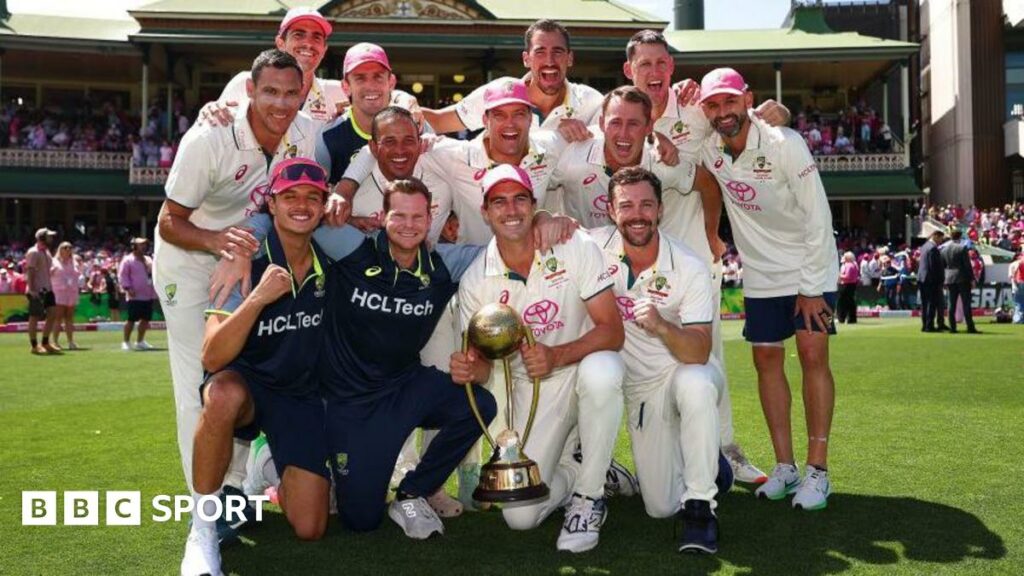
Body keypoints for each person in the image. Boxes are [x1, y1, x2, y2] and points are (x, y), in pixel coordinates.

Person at [154, 49, 317, 543]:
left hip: (249, 257)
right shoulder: (208, 137)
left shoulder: (306, 131)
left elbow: (298, 198)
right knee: (199, 385)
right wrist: (220, 241)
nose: (281, 103)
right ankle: (204, 506)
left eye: (291, 93)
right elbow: (168, 221)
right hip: (190, 257)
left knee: (242, 373)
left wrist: (244, 245)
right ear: (250, 90)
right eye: (270, 91)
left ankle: (236, 490)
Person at [623, 29, 791, 484]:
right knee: (637, 359)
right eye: (645, 65)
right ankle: (628, 460)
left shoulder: (697, 110)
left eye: (662, 63)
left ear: (672, 68)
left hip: (693, 255)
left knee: (707, 354)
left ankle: (725, 450)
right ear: (629, 70)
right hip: (635, 260)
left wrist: (713, 235)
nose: (654, 73)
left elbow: (733, 142)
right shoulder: (618, 115)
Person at [451, 165, 625, 553]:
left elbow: (612, 331)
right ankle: (586, 465)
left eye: (519, 199)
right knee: (520, 517)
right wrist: (468, 369)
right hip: (530, 391)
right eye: (499, 201)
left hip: (580, 370)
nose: (510, 209)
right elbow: (481, 365)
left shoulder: (574, 246)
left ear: (534, 205)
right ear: (485, 211)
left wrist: (557, 355)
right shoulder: (476, 281)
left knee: (604, 369)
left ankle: (589, 497)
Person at [183, 158, 334, 576]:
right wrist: (257, 298)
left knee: (310, 528)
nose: (301, 205)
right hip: (245, 385)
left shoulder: (329, 259)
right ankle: (202, 529)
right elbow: (212, 356)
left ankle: (265, 468)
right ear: (271, 203)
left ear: (323, 206)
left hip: (296, 394)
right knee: (222, 394)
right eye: (290, 196)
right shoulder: (244, 260)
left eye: (311, 197)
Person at [698, 67, 840, 510]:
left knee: (813, 355)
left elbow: (818, 216)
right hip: (761, 273)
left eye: (730, 102)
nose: (724, 112)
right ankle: (785, 466)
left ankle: (818, 470)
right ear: (706, 110)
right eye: (714, 105)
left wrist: (813, 287)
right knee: (765, 361)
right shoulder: (708, 149)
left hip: (808, 265)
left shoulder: (785, 143)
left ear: (747, 99)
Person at [591, 166, 727, 554]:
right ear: (611, 210)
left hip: (685, 366)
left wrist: (663, 326)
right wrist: (549, 218)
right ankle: (713, 466)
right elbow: (546, 231)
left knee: (695, 383)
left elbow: (700, 350)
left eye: (646, 205)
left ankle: (701, 508)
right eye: (627, 205)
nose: (638, 214)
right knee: (660, 506)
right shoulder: (593, 249)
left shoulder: (688, 266)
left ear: (660, 210)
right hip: (641, 389)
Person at [423, 19, 602, 142]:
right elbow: (438, 121)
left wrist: (588, 134)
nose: (549, 61)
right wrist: (403, 102)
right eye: (540, 52)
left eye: (558, 52)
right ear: (526, 59)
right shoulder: (500, 92)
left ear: (570, 58)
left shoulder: (590, 101)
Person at [202, 7, 346, 126]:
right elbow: (212, 126)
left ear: (324, 49)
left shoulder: (339, 93)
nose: (308, 43)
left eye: (316, 37)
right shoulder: (245, 83)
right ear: (280, 44)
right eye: (298, 35)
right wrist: (210, 110)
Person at [316, 42, 422, 185]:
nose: (371, 86)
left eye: (378, 76)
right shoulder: (328, 137)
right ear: (346, 87)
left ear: (391, 83)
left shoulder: (416, 125)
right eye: (360, 78)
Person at [119, 238, 158, 351]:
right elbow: (123, 276)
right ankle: (126, 341)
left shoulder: (148, 259)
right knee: (131, 319)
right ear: (134, 246)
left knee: (145, 319)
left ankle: (140, 341)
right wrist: (128, 288)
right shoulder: (128, 260)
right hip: (134, 295)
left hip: (148, 294)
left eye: (144, 245)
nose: (144, 247)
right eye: (141, 245)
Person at [25, 228, 59, 354]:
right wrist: (32, 289)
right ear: (42, 237)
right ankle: (34, 345)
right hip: (37, 289)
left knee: (52, 314)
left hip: (48, 288)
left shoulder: (46, 252)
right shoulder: (33, 252)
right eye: (49, 236)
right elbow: (30, 271)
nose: (51, 238)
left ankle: (45, 342)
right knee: (34, 316)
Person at [941, 229, 979, 334]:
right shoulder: (962, 248)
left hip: (949, 278)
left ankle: (952, 327)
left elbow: (942, 266)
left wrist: (944, 279)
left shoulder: (944, 250)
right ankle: (970, 327)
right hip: (962, 278)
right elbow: (967, 266)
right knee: (966, 303)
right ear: (960, 237)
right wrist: (972, 279)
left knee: (951, 304)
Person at [50, 241, 82, 350]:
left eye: (70, 247)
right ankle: (55, 342)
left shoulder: (74, 262)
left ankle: (71, 341)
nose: (68, 249)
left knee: (69, 318)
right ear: (60, 249)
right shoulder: (54, 262)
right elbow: (48, 275)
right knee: (58, 318)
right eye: (65, 247)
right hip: (59, 292)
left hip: (71, 292)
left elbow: (78, 275)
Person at [917, 230, 946, 331]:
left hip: (922, 278)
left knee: (924, 304)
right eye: (941, 238)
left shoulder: (924, 246)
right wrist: (940, 280)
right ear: (936, 236)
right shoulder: (933, 248)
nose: (941, 241)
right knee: (931, 303)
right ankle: (929, 326)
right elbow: (933, 267)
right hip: (931, 280)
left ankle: (925, 324)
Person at [837, 251, 859, 324]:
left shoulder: (849, 265)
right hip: (851, 285)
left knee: (842, 303)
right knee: (850, 302)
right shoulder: (854, 264)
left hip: (847, 286)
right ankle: (851, 319)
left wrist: (839, 276)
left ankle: (842, 318)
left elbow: (847, 277)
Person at [1010, 249, 1024, 324]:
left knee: (1019, 303)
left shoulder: (1017, 263)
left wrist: (1015, 283)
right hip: (1020, 282)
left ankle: (1018, 319)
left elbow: (1012, 275)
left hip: (1020, 282)